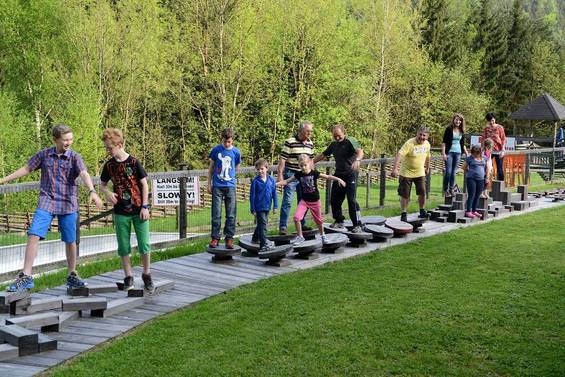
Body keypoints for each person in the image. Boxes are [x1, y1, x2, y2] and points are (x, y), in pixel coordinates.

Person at [1, 124, 103, 292]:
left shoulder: (75, 157)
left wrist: (92, 190)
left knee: (70, 241)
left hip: (68, 203)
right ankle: (26, 276)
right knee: (34, 234)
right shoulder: (44, 155)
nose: (68, 143)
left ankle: (72, 275)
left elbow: (84, 173)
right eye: (65, 140)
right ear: (55, 140)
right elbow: (27, 168)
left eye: (70, 139)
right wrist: (4, 180)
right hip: (47, 201)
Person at [99, 128, 154, 292]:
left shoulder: (134, 162)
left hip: (138, 210)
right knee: (123, 246)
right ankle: (128, 276)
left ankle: (146, 273)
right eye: (106, 148)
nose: (108, 151)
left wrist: (145, 206)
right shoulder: (109, 165)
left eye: (110, 148)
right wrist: (108, 193)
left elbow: (144, 184)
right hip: (120, 211)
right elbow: (101, 185)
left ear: (120, 145)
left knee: (144, 244)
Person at [277, 154, 345, 245]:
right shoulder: (298, 174)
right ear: (299, 165)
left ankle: (323, 236)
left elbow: (328, 177)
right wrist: (275, 184)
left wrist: (339, 179)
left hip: (315, 202)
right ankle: (300, 237)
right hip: (304, 201)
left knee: (318, 221)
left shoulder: (314, 173)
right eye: (301, 166)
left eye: (305, 165)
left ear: (309, 164)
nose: (303, 167)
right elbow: (287, 181)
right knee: (297, 218)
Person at [313, 124, 364, 232]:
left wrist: (358, 160)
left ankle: (357, 224)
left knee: (351, 200)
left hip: (351, 174)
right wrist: (310, 162)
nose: (337, 138)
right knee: (334, 199)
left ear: (343, 133)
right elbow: (323, 155)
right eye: (335, 136)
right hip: (339, 174)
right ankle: (339, 221)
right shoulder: (333, 145)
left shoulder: (351, 141)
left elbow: (360, 151)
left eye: (339, 135)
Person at [277, 121, 314, 235]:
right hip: (291, 174)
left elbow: (311, 161)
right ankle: (283, 227)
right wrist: (280, 175)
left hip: (305, 177)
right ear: (301, 130)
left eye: (311, 131)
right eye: (308, 131)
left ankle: (302, 225)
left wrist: (312, 175)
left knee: (303, 201)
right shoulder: (290, 142)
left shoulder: (310, 143)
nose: (310, 133)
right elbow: (282, 159)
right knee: (287, 201)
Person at [207, 128, 241, 249]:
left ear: (232, 141)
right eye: (225, 141)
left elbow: (236, 167)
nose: (227, 144)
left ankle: (229, 238)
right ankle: (215, 238)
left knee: (231, 214)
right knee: (216, 213)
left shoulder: (236, 152)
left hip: (230, 186)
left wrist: (232, 178)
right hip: (217, 186)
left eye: (229, 142)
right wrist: (208, 183)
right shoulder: (216, 150)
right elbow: (211, 168)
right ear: (222, 139)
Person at [390, 126, 431, 223]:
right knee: (405, 194)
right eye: (420, 134)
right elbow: (400, 154)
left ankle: (422, 210)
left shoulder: (427, 144)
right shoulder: (409, 143)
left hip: (420, 172)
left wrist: (427, 168)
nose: (421, 137)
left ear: (427, 137)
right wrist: (395, 168)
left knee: (422, 192)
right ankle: (403, 213)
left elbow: (428, 156)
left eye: (424, 135)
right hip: (406, 173)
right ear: (417, 134)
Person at [249, 159, 278, 253]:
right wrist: (252, 208)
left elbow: (274, 194)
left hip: (267, 206)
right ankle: (263, 244)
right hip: (259, 207)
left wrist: (275, 206)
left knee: (261, 224)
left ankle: (255, 238)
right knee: (263, 225)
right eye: (258, 169)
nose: (260, 171)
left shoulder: (271, 180)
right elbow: (252, 195)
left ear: (267, 168)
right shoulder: (255, 181)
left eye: (262, 169)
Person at [441, 114, 468, 197]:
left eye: (460, 120)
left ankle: (451, 189)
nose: (458, 121)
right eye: (457, 120)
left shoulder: (461, 130)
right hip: (449, 152)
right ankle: (445, 190)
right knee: (448, 172)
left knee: (453, 172)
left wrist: (467, 153)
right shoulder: (449, 129)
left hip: (458, 153)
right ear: (453, 120)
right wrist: (443, 153)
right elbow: (444, 142)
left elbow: (462, 144)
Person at [462, 145, 490, 218]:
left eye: (475, 153)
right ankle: (468, 211)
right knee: (472, 195)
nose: (473, 154)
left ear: (479, 153)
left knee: (477, 195)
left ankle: (474, 211)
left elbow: (487, 168)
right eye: (473, 153)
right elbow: (463, 167)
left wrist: (487, 177)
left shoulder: (484, 158)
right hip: (471, 179)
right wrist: (470, 172)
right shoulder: (469, 158)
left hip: (481, 179)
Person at [482, 112, 506, 181]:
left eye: (492, 120)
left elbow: (503, 139)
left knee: (500, 169)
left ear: (495, 119)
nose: (491, 122)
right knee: (486, 167)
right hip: (488, 151)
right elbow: (483, 139)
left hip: (498, 151)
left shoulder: (500, 127)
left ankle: (501, 187)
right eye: (489, 121)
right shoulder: (486, 128)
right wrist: (483, 149)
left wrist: (503, 150)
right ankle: (485, 184)